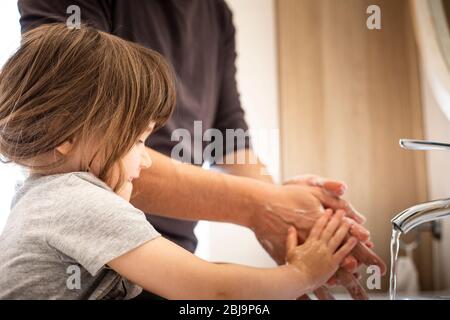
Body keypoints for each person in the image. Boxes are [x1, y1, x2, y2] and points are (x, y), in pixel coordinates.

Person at [17, 0, 385, 299]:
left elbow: (230, 136)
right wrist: (301, 272)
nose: (143, 159)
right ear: (60, 134)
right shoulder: (83, 203)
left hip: (163, 262)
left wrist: (284, 207)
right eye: (138, 141)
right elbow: (216, 289)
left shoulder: (215, 13)